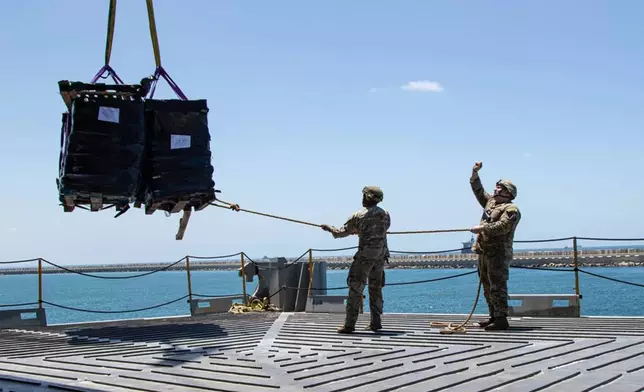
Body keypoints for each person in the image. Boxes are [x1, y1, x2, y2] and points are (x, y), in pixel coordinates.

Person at [321, 186, 391, 333]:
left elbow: (341, 233)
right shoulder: (385, 214)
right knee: (376, 289)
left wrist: (329, 228)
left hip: (365, 256)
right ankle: (376, 323)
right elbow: (383, 229)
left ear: (367, 197)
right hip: (380, 256)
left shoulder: (359, 215)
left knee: (355, 289)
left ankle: (349, 325)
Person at [469, 161, 521, 331]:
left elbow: (503, 227)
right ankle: (493, 316)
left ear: (508, 192)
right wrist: (475, 174)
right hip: (485, 251)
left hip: (498, 253)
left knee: (497, 285)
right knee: (486, 284)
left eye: (499, 188)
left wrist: (483, 227)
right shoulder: (491, 203)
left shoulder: (511, 209)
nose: (495, 189)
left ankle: (501, 318)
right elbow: (478, 191)